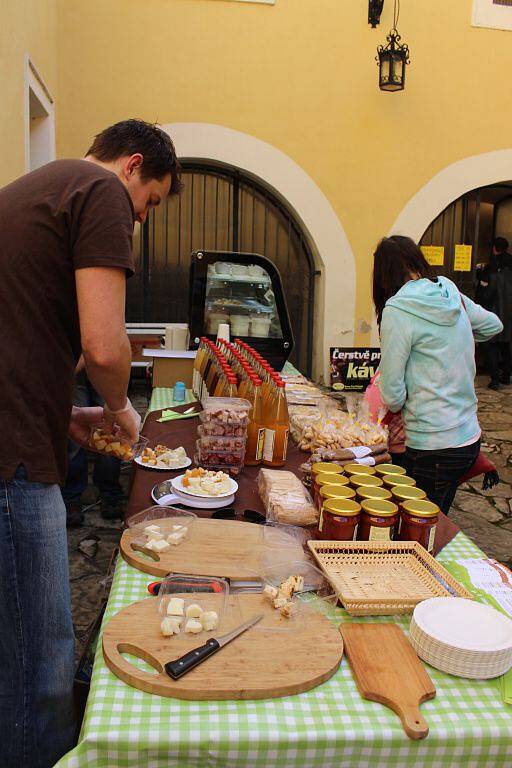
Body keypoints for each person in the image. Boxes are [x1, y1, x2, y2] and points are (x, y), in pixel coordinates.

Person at [0, 119, 182, 768]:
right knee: (38, 661)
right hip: (13, 458)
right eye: (151, 201)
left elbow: (26, 331)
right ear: (132, 165)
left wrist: (67, 414)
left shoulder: (36, 186)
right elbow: (106, 346)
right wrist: (115, 407)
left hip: (20, 427)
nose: (142, 215)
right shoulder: (101, 191)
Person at [373, 235, 502, 515]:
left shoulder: (397, 309)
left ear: (383, 276)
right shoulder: (450, 292)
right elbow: (493, 325)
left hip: (431, 446)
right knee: (433, 522)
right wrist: (454, 342)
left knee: (417, 532)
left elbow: (393, 395)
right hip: (468, 439)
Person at [63, 365, 126, 526]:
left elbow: (99, 350)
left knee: (109, 428)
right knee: (73, 432)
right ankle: (71, 496)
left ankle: (109, 492)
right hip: (73, 362)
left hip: (104, 363)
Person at [475, 236, 512, 389]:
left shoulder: (490, 268)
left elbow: (484, 293)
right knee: (506, 345)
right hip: (509, 313)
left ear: (494, 248)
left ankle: (495, 379)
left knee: (490, 345)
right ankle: (506, 376)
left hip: (492, 312)